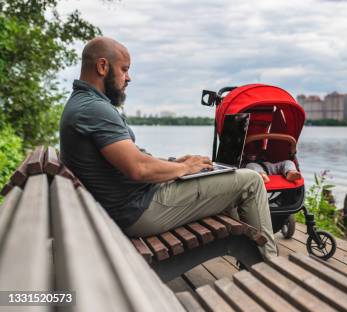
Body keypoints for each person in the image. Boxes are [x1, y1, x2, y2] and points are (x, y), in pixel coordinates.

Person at [59, 37, 277, 259]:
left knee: (227, 178)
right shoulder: (93, 109)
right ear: (102, 66)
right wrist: (185, 169)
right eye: (124, 70)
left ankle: (247, 256)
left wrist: (175, 164)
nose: (128, 78)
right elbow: (139, 169)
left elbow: (134, 159)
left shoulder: (84, 103)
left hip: (129, 205)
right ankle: (271, 268)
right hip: (139, 211)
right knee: (251, 180)